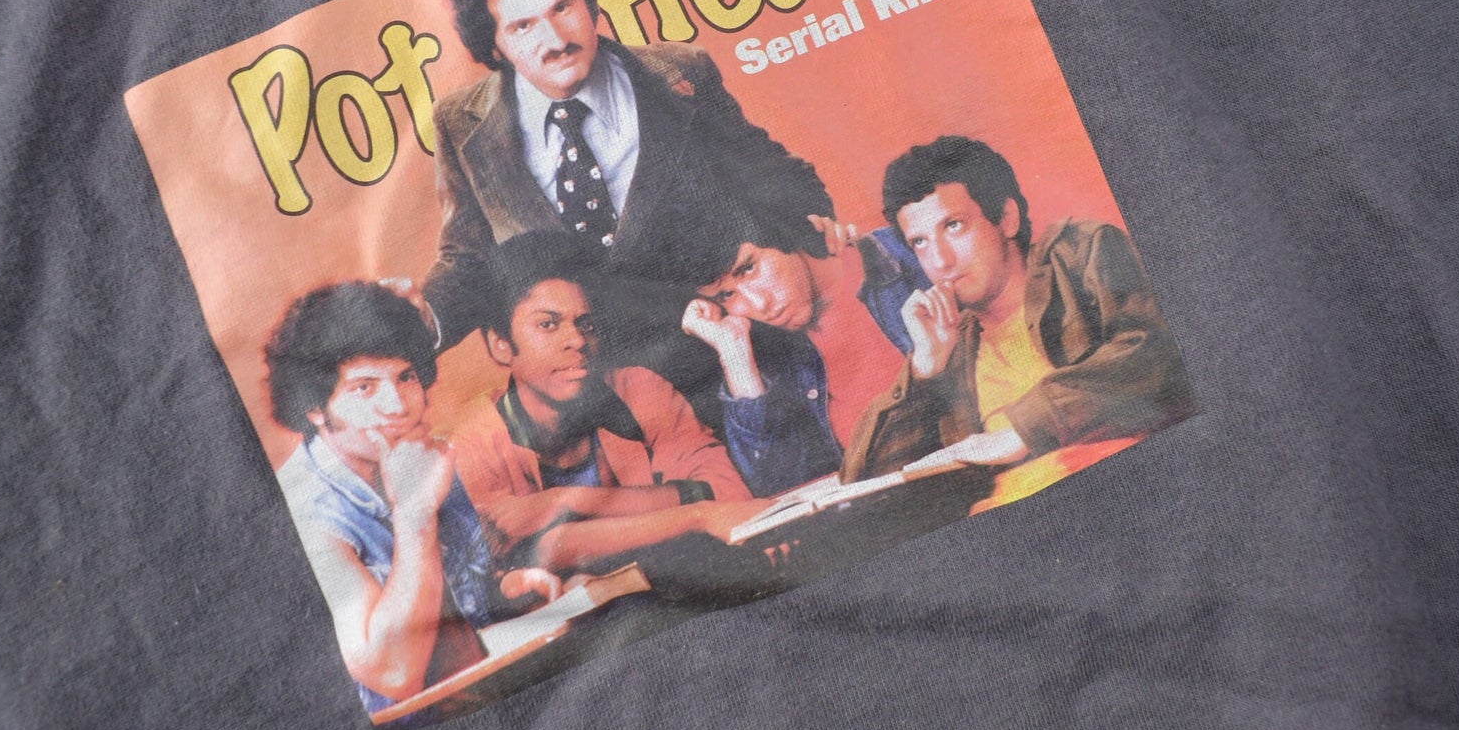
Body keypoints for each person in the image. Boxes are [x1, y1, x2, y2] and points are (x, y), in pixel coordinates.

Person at [422, 0, 833, 354]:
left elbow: (769, 174)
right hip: (586, 371)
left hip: (712, 349)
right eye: (523, 27)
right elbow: (470, 258)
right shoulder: (459, 122)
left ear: (589, 3)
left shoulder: (684, 72)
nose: (555, 40)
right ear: (494, 44)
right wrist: (419, 321)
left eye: (563, 8)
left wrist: (808, 242)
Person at [265, 283, 561, 719]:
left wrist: (508, 587)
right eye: (364, 388)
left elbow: (458, 592)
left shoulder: (421, 456)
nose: (397, 406)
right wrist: (414, 513)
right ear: (314, 407)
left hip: (483, 690)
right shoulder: (304, 513)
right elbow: (394, 673)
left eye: (405, 377)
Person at [845, 136, 1196, 483]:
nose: (940, 261)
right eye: (920, 242)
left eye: (953, 226)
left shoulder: (1081, 255)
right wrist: (923, 371)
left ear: (1007, 218)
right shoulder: (950, 346)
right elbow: (864, 483)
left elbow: (1163, 353)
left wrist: (1022, 430)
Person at [446, 233, 764, 576]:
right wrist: (696, 516)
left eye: (585, 323)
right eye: (548, 324)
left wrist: (571, 502)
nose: (577, 340)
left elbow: (728, 492)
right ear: (500, 344)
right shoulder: (472, 445)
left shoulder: (639, 389)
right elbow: (523, 557)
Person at [675, 207, 919, 496]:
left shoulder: (915, 252)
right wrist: (734, 353)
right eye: (726, 294)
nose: (759, 304)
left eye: (749, 268)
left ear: (783, 231)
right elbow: (780, 489)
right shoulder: (768, 357)